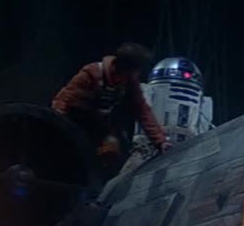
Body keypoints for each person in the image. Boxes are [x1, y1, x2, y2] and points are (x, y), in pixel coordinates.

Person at [52, 43, 172, 175]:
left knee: (112, 149)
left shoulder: (130, 81)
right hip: (75, 118)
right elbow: (65, 99)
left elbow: (142, 110)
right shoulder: (92, 72)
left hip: (98, 124)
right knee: (69, 151)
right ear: (121, 68)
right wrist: (57, 124)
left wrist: (160, 141)